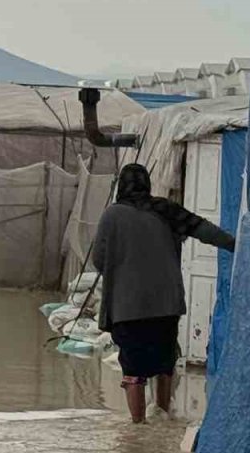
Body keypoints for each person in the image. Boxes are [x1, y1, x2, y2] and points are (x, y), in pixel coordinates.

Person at [92, 163, 235, 424]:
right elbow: (206, 232)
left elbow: (99, 261)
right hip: (166, 306)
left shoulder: (111, 216)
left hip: (127, 307)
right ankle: (163, 415)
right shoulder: (166, 210)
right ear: (147, 185)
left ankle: (138, 429)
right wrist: (238, 245)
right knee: (164, 360)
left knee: (133, 368)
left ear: (121, 188)